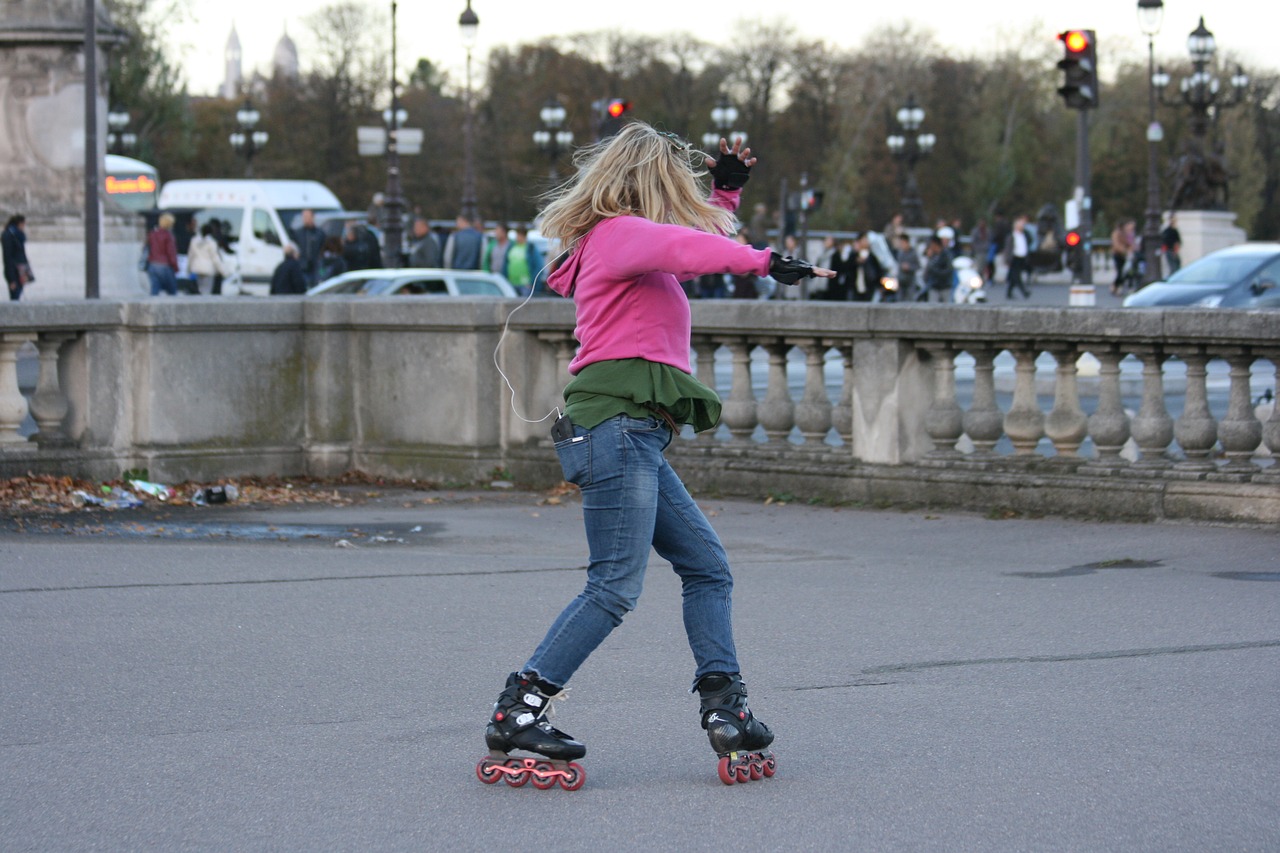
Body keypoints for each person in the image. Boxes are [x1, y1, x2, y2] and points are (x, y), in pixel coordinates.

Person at [477, 122, 834, 789]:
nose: (685, 194)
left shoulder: (630, 244)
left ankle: (725, 705)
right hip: (616, 427)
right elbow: (690, 248)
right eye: (680, 183)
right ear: (652, 181)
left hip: (631, 430)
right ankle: (520, 705)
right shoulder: (619, 234)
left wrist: (724, 196)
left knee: (707, 567)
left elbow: (685, 246)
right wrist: (762, 261)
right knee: (614, 584)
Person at [146, 212, 180, 297]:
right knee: (172, 292)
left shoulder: (152, 234)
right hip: (165, 265)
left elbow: (147, 248)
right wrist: (175, 267)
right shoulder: (168, 236)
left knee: (154, 291)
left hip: (152, 264)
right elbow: (171, 253)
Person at [187, 224, 227, 295]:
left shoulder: (194, 241)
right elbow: (215, 258)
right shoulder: (212, 242)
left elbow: (191, 256)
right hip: (208, 269)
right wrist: (223, 271)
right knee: (206, 291)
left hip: (196, 268)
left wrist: (188, 269)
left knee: (199, 289)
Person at [503, 227, 544, 296]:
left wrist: (532, 283)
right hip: (511, 283)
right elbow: (506, 263)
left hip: (525, 285)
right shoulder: (512, 247)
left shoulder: (530, 248)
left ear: (523, 236)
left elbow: (538, 266)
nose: (517, 237)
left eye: (519, 235)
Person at [293, 209, 326, 287]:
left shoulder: (320, 233)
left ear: (313, 217)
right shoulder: (298, 233)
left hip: (316, 267)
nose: (305, 219)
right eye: (304, 217)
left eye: (307, 216)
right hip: (302, 267)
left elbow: (323, 249)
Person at [2, 214, 30, 302]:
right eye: (23, 224)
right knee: (15, 297)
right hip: (14, 272)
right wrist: (11, 279)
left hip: (21, 270)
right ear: (19, 224)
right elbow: (7, 257)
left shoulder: (18, 235)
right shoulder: (8, 235)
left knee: (18, 294)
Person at [1004, 214, 1032, 300]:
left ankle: (1009, 293)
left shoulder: (1024, 235)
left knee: (1013, 277)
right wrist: (1007, 259)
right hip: (1014, 258)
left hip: (1022, 258)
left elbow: (1030, 240)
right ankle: (1024, 291)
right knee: (1016, 276)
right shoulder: (1012, 236)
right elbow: (1008, 248)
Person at [922, 235, 953, 302]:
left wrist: (936, 271)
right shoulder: (932, 256)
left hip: (945, 286)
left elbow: (948, 271)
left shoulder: (946, 255)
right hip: (934, 286)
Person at [895, 234, 920, 301]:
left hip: (910, 281)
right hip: (901, 281)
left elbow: (918, 266)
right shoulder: (900, 253)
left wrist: (909, 267)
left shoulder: (913, 253)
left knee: (910, 300)